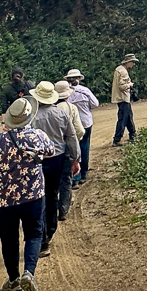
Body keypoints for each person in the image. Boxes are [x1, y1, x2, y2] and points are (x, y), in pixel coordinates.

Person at [0, 96, 61, 291]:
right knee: (34, 234)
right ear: (29, 117)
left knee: (8, 239)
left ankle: (13, 280)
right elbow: (51, 152)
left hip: (4, 199)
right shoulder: (39, 136)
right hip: (33, 195)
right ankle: (29, 273)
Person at [31, 80, 79, 257]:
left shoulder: (32, 117)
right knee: (52, 194)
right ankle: (49, 231)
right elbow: (71, 137)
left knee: (38, 196)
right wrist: (75, 159)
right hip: (57, 158)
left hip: (37, 160)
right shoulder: (61, 113)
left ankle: (40, 237)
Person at [53, 80, 85, 219]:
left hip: (51, 152)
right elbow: (79, 130)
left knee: (53, 182)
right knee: (66, 180)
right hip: (66, 150)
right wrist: (75, 147)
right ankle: (64, 209)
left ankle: (52, 210)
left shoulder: (50, 110)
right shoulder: (71, 108)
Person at [64, 68, 99, 184]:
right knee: (84, 147)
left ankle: (74, 177)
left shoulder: (65, 92)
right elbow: (95, 104)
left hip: (71, 124)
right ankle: (83, 172)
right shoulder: (85, 91)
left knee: (72, 149)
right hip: (85, 122)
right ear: (78, 79)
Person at [112, 54, 138, 145]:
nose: (133, 64)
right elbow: (122, 86)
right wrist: (129, 85)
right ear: (128, 62)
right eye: (133, 62)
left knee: (128, 117)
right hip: (123, 98)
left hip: (121, 98)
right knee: (123, 119)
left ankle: (133, 134)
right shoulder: (123, 72)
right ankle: (117, 139)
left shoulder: (119, 69)